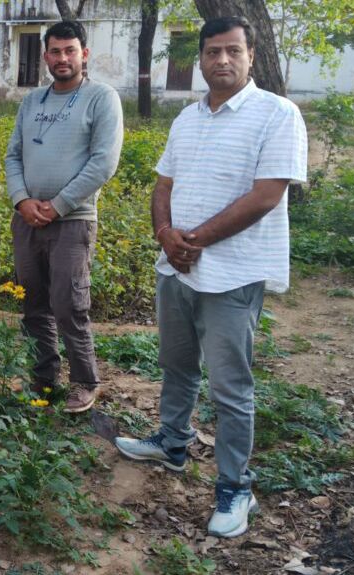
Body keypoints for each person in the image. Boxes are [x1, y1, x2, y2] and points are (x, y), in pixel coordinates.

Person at [115, 16, 307, 539]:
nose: (222, 60)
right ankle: (173, 443)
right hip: (175, 266)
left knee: (230, 387)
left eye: (232, 51)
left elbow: (267, 195)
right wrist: (164, 232)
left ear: (251, 56)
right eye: (212, 52)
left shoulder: (277, 114)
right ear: (199, 58)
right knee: (176, 366)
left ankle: (235, 487)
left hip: (232, 273)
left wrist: (191, 239)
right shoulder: (188, 117)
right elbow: (164, 181)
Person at [3, 19, 123, 413]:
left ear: (83, 54)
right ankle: (44, 378)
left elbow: (103, 162)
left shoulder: (101, 98)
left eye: (70, 50)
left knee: (68, 302)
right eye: (55, 51)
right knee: (33, 301)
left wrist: (58, 205)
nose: (62, 58)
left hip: (73, 220)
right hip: (27, 219)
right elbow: (14, 155)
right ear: (45, 56)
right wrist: (22, 200)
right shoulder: (32, 101)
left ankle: (85, 381)